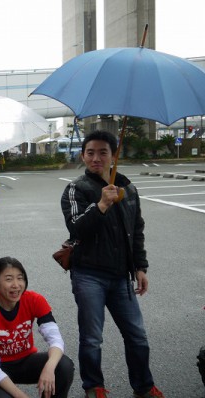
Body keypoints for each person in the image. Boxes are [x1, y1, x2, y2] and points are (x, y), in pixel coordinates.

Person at [61, 130, 164, 398]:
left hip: (121, 276)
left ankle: (143, 387)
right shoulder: (77, 188)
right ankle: (93, 387)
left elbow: (136, 230)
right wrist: (102, 204)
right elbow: (76, 228)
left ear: (114, 155)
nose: (96, 158)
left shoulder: (128, 189)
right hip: (88, 275)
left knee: (137, 336)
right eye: (91, 152)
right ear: (83, 155)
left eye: (103, 152)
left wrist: (140, 268)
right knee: (92, 338)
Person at [0, 257, 74, 398]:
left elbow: (56, 340)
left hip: (25, 361)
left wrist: (49, 368)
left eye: (20, 278)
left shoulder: (34, 300)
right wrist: (22, 396)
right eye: (8, 279)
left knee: (63, 365)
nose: (16, 285)